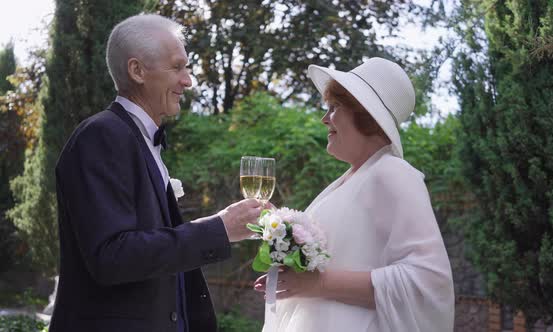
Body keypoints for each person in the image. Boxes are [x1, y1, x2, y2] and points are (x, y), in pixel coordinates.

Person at [49, 14, 262, 332]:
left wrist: (216, 224)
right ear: (137, 71)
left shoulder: (139, 138)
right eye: (177, 67)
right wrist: (218, 230)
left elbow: (151, 243)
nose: (188, 81)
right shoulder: (102, 135)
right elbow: (112, 256)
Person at [254, 58, 455, 331]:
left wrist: (318, 284)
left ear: (365, 115)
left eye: (334, 108)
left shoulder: (393, 173)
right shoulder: (352, 179)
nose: (324, 119)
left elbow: (428, 282)